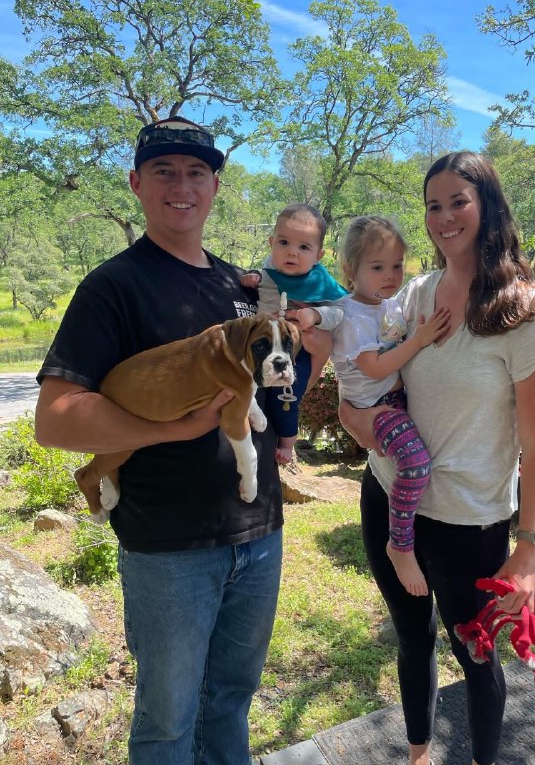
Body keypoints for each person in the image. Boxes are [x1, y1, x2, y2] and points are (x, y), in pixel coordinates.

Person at [34, 115, 283, 765]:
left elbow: (274, 380)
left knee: (230, 702)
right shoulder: (112, 287)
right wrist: (172, 429)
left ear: (216, 186)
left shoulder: (240, 287)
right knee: (169, 722)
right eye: (164, 171)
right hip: (170, 549)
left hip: (260, 534)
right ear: (136, 184)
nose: (182, 185)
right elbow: (55, 418)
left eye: (196, 172)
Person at [339, 152, 535, 765]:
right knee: (412, 640)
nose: (444, 217)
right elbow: (367, 379)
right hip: (390, 496)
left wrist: (529, 547)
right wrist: (352, 418)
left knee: (477, 656)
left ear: (487, 205)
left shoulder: (525, 313)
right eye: (433, 205)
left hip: (469, 521)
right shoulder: (413, 295)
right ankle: (418, 754)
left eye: (458, 202)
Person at [331, 216, 450, 597]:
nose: (390, 276)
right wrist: (420, 340)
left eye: (397, 265)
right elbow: (374, 366)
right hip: (377, 407)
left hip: (394, 401)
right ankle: (399, 544)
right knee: (415, 466)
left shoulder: (388, 305)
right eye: (377, 267)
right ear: (351, 270)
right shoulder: (350, 315)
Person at [241, 203, 347, 464]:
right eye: (284, 242)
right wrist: (253, 277)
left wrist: (316, 315)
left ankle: (288, 441)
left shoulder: (319, 283)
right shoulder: (269, 270)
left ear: (318, 255)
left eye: (304, 247)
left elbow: (339, 312)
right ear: (271, 243)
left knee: (285, 394)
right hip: (263, 345)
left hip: (295, 351)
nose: (292, 252)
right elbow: (263, 281)